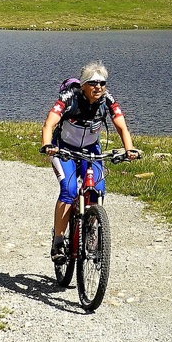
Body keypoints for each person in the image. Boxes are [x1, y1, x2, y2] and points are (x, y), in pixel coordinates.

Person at [40, 61, 138, 262]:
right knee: (68, 190)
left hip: (91, 150)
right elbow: (49, 123)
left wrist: (129, 148)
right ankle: (58, 240)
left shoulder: (107, 100)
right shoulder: (69, 98)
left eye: (102, 83)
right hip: (63, 147)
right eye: (93, 83)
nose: (99, 87)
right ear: (83, 84)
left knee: (97, 189)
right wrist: (48, 144)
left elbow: (121, 126)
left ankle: (92, 229)